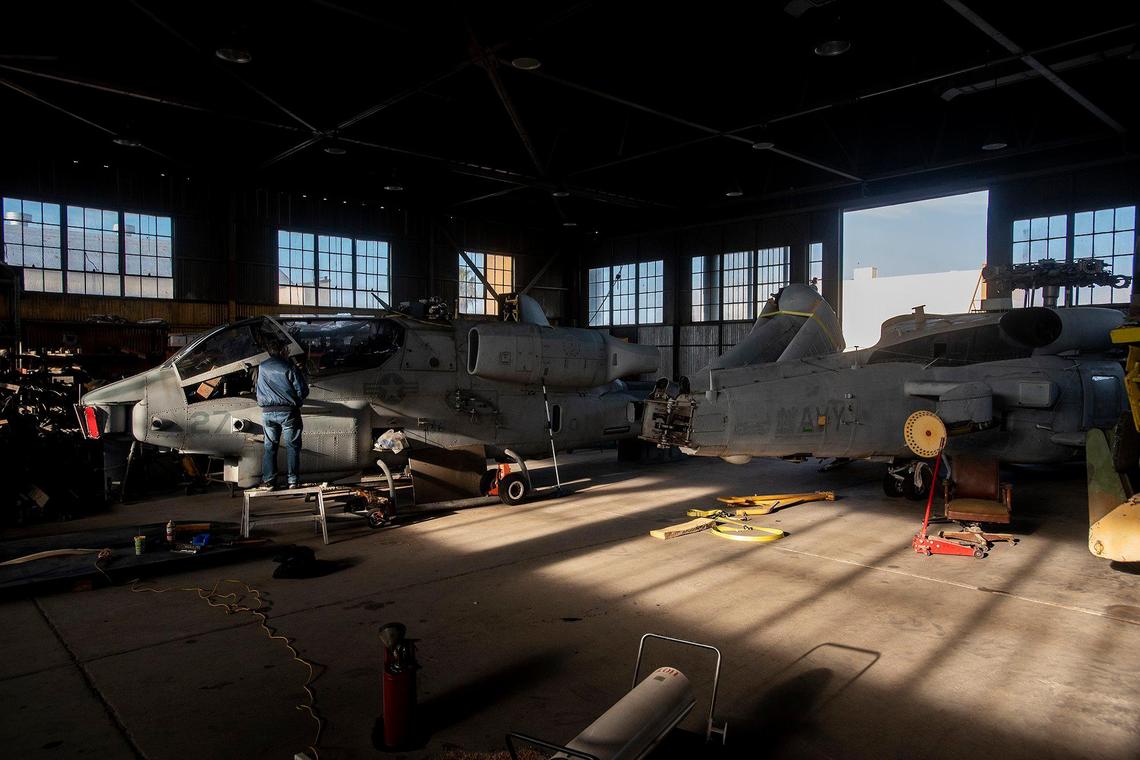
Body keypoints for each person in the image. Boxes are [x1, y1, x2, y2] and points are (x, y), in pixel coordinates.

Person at [253, 339, 309, 490]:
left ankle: (269, 481)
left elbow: (256, 388)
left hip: (268, 414)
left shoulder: (262, 367)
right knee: (292, 446)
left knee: (270, 446)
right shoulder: (289, 367)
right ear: (283, 350)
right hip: (288, 413)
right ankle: (293, 481)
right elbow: (303, 391)